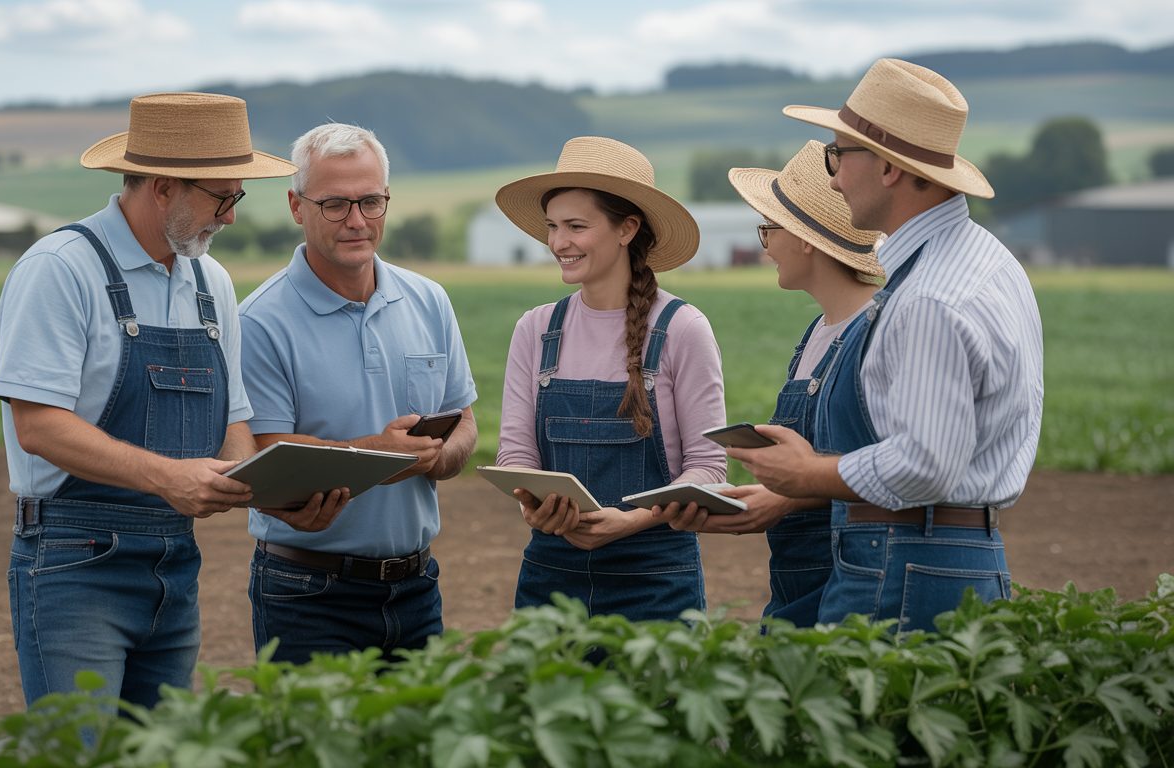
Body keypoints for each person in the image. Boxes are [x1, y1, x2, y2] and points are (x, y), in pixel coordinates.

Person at [0, 92, 344, 709]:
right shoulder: (59, 269)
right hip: (74, 563)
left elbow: (233, 421)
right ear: (161, 187)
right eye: (221, 198)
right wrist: (166, 477)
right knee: (79, 754)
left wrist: (268, 494)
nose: (231, 217)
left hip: (175, 560)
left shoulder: (211, 283)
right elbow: (40, 427)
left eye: (236, 197)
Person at [732, 59, 1044, 632]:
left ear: (889, 169)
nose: (832, 177)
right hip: (961, 556)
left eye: (837, 155)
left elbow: (925, 464)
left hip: (904, 560)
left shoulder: (930, 296)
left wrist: (808, 475)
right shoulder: (991, 262)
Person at [238, 122, 478, 663]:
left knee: (416, 747)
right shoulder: (258, 321)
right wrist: (381, 453)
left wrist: (438, 457)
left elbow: (464, 420)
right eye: (335, 205)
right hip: (307, 593)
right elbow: (266, 455)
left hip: (417, 585)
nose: (357, 222)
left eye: (371, 202)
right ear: (296, 206)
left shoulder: (429, 299)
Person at [494, 136, 726, 621]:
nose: (559, 243)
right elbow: (515, 455)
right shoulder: (536, 329)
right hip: (550, 575)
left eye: (577, 226)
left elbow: (708, 468)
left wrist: (630, 521)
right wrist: (532, 506)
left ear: (627, 229)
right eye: (553, 227)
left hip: (655, 580)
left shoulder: (682, 329)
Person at [653, 140, 883, 628]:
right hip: (798, 585)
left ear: (804, 239)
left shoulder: (877, 333)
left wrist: (783, 498)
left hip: (856, 583)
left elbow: (894, 465)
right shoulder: (818, 334)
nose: (765, 246)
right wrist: (762, 497)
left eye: (769, 229)